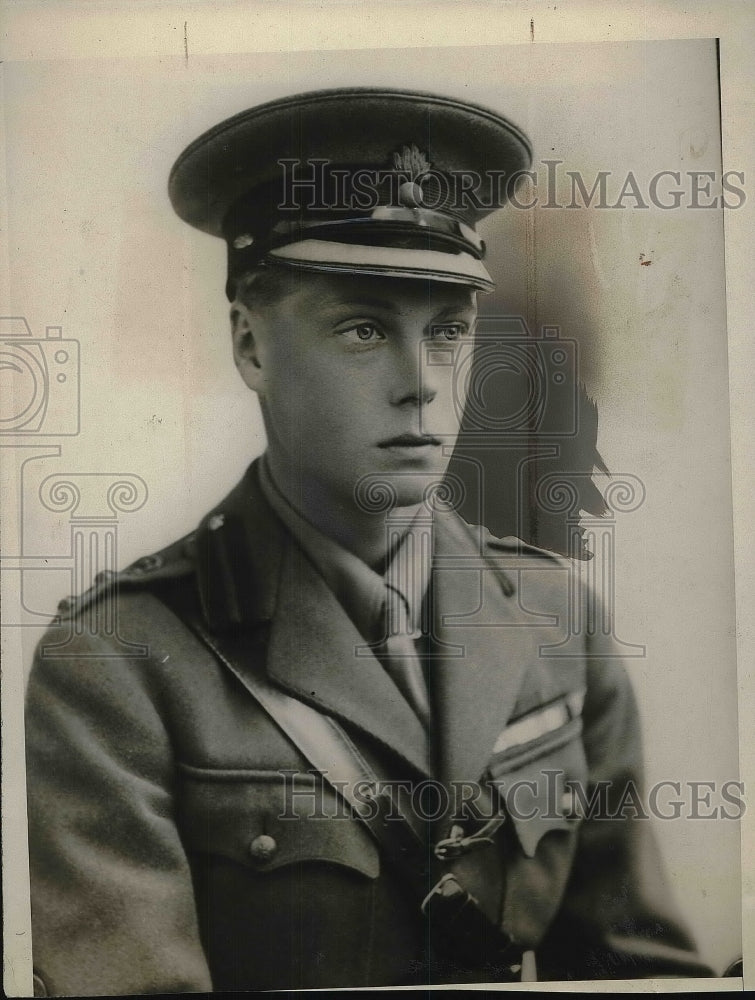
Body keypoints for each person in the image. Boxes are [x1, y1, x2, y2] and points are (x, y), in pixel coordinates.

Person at [24, 87, 712, 994]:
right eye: (362, 329)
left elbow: (639, 973)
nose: (422, 385)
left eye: (448, 333)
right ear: (250, 346)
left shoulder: (557, 622)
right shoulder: (117, 663)